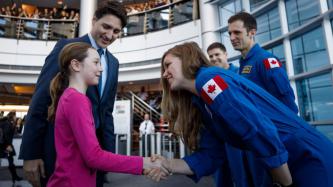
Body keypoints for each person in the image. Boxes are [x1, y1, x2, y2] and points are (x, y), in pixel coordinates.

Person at [148, 42, 333, 187]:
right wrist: (169, 164)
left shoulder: (208, 80)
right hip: (284, 161)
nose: (164, 74)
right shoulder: (201, 102)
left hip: (306, 156)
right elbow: (211, 155)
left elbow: (256, 129)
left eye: (168, 65)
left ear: (186, 58)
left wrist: (283, 182)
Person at [19, 1, 128, 187]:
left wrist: (109, 155)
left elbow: (106, 111)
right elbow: (41, 100)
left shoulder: (114, 62)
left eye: (116, 31)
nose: (110, 35)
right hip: (60, 152)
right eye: (106, 26)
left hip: (95, 156)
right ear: (94, 20)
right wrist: (31, 154)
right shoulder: (67, 47)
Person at [46, 42, 162, 187]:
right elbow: (93, 157)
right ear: (76, 65)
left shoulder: (71, 97)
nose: (101, 69)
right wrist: (144, 163)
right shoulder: (76, 100)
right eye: (96, 62)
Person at [228, 12, 298, 113]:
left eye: (237, 32)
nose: (231, 38)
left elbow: (287, 104)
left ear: (252, 32)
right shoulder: (243, 64)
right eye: (230, 33)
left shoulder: (266, 60)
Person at [0, 111, 23, 185]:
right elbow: (6, 135)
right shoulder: (8, 124)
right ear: (12, 116)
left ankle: (15, 176)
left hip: (4, 145)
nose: (16, 117)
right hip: (5, 146)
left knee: (11, 161)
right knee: (10, 161)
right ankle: (15, 176)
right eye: (15, 116)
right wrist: (8, 146)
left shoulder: (6, 122)